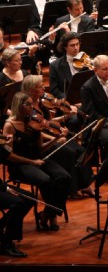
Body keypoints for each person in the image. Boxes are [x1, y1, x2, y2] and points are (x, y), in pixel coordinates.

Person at [2, 92, 71, 232]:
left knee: (64, 177)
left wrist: (56, 139)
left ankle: (48, 213)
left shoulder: (33, 122)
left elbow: (41, 148)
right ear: (19, 106)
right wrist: (32, 162)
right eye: (28, 105)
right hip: (20, 165)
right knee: (46, 181)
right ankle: (51, 216)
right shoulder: (10, 126)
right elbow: (9, 155)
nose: (32, 108)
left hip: (38, 160)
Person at [80, 55, 108, 159]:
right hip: (99, 123)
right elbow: (92, 113)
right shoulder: (87, 88)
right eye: (104, 69)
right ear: (95, 70)